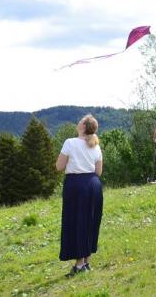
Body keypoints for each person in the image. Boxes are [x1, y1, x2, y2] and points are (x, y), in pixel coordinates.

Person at [56, 114, 104, 277]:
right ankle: (86, 262)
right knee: (90, 221)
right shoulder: (96, 146)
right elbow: (98, 171)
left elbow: (59, 166)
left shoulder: (70, 143)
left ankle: (78, 265)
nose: (78, 122)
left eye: (80, 121)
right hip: (93, 184)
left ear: (83, 127)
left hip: (76, 186)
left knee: (77, 222)